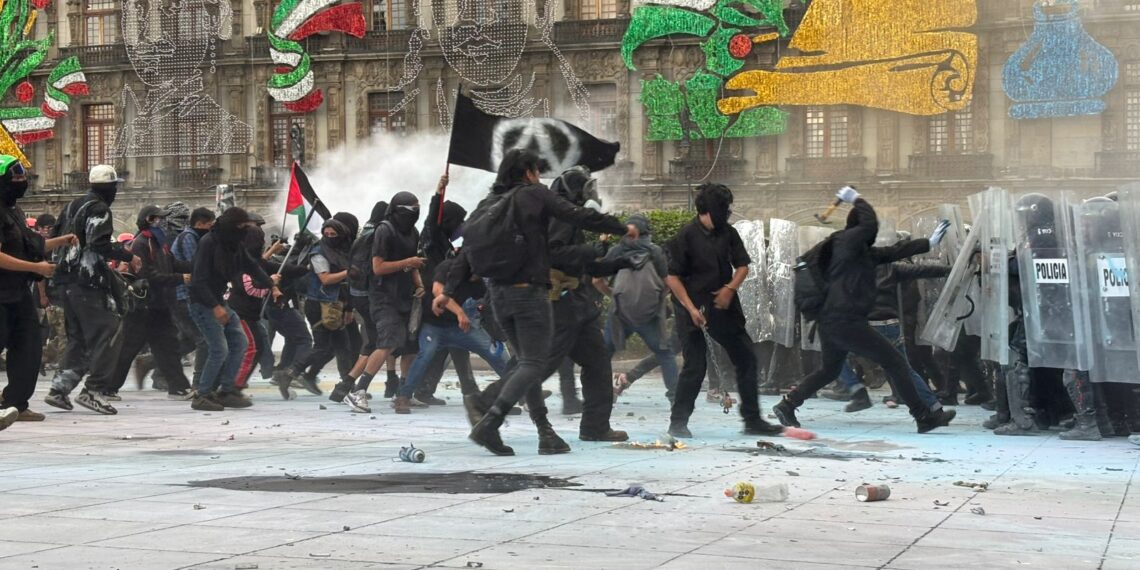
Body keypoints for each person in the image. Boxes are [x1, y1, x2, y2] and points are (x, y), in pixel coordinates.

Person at [453, 149, 632, 456]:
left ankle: (586, 426)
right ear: (527, 172)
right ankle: (487, 412)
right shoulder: (535, 199)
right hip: (546, 299)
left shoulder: (490, 203)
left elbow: (466, 249)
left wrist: (614, 263)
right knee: (535, 365)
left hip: (512, 295)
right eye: (536, 170)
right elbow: (560, 247)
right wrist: (619, 228)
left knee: (591, 361)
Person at [772, 187, 954, 433]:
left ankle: (787, 405)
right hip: (845, 320)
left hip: (833, 320)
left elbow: (892, 253)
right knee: (896, 362)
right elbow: (869, 223)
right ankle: (923, 415)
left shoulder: (857, 253)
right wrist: (856, 199)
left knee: (830, 369)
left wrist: (928, 243)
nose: (872, 235)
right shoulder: (846, 242)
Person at [663, 183, 782, 438]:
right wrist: (691, 308)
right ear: (706, 210)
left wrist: (730, 288)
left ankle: (752, 420)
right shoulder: (685, 237)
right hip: (691, 308)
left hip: (722, 304)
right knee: (695, 365)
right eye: (722, 209)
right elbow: (672, 278)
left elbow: (742, 266)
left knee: (746, 358)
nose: (726, 214)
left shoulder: (728, 233)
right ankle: (678, 421)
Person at [45, 164, 139, 415]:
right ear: (111, 188)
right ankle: (94, 390)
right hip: (86, 281)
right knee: (110, 331)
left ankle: (60, 388)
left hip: (64, 281)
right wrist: (127, 254)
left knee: (79, 337)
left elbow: (54, 238)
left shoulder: (72, 206)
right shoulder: (99, 209)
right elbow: (99, 244)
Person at [0, 156, 75, 425]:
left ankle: (15, 404)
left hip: (17, 293)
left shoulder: (15, 212)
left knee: (29, 349)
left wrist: (62, 240)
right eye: (15, 177)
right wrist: (37, 269)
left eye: (22, 177)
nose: (21, 182)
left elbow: (35, 245)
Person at [394, 254, 508, 414]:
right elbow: (437, 290)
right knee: (424, 355)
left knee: (494, 351)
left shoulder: (478, 283)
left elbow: (485, 306)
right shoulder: (447, 267)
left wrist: (495, 331)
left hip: (460, 329)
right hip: (434, 326)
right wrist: (460, 312)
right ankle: (404, 396)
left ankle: (521, 393)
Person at [344, 191, 425, 414]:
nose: (416, 213)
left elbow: (412, 266)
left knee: (410, 345)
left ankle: (403, 392)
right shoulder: (384, 230)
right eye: (412, 209)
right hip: (382, 296)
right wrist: (407, 262)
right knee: (387, 342)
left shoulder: (413, 232)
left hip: (404, 295)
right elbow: (378, 267)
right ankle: (357, 391)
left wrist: (418, 284)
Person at [105, 206, 195, 400]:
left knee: (167, 346)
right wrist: (180, 278)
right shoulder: (141, 242)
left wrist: (196, 266)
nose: (162, 222)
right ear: (148, 219)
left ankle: (178, 387)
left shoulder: (159, 242)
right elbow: (147, 274)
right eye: (158, 218)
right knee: (128, 348)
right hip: (143, 305)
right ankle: (107, 387)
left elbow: (172, 263)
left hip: (160, 304)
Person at [188, 207, 269, 411]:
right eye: (241, 227)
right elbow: (198, 280)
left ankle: (226, 390)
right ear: (231, 226)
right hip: (203, 302)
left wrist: (269, 283)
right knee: (219, 348)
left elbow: (250, 264)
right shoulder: (209, 243)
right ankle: (202, 394)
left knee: (240, 342)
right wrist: (215, 307)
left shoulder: (232, 244)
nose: (244, 231)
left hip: (219, 300)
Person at [599, 214, 677, 403]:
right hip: (649, 314)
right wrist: (658, 298)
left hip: (621, 314)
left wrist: (613, 294)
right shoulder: (655, 251)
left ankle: (600, 395)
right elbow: (668, 282)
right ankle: (675, 397)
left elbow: (596, 280)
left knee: (602, 353)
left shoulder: (617, 251)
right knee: (665, 354)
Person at [274, 218, 356, 398]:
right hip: (319, 305)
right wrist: (348, 272)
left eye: (333, 234)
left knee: (340, 346)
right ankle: (289, 373)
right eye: (326, 234)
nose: (329, 237)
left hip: (335, 305)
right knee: (322, 346)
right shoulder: (319, 253)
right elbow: (325, 279)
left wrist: (348, 306)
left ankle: (337, 381)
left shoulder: (341, 252)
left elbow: (346, 285)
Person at [171, 207, 216, 390]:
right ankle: (199, 385)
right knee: (203, 340)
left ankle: (155, 364)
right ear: (199, 224)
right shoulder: (189, 238)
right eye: (209, 225)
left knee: (189, 340)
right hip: (183, 295)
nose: (211, 228)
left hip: (186, 295)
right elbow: (196, 265)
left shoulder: (194, 236)